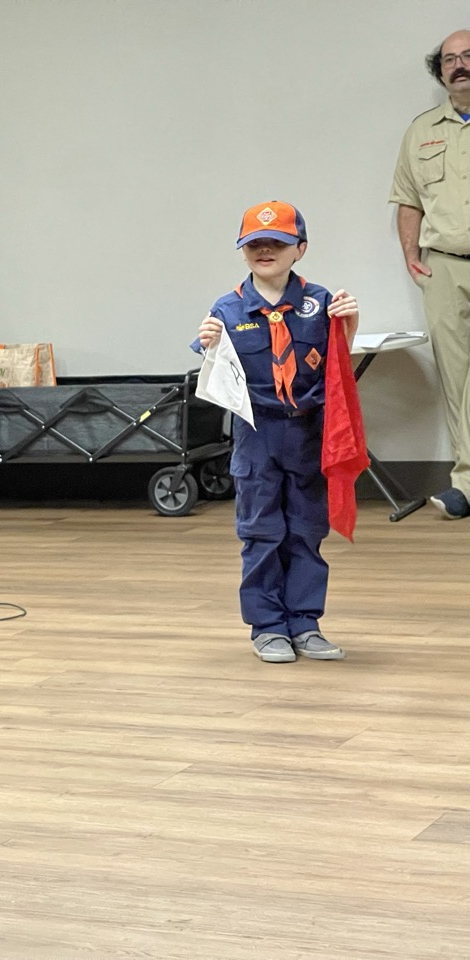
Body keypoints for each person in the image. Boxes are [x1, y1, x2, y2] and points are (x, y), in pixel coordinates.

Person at [195, 202, 359, 663]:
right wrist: (208, 344)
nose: (265, 250)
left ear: (300, 249)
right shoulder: (227, 308)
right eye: (255, 244)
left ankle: (305, 623)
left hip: (306, 433)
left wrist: (349, 323)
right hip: (257, 434)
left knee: (306, 530)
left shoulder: (319, 302)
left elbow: (336, 366)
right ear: (243, 250)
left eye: (278, 243)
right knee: (261, 532)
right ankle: (267, 626)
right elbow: (214, 374)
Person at [391, 30, 470, 519]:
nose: (459, 65)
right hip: (443, 265)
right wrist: (410, 252)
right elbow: (408, 199)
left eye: (468, 56)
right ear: (439, 71)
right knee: (456, 377)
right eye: (450, 60)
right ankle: (466, 483)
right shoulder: (421, 131)